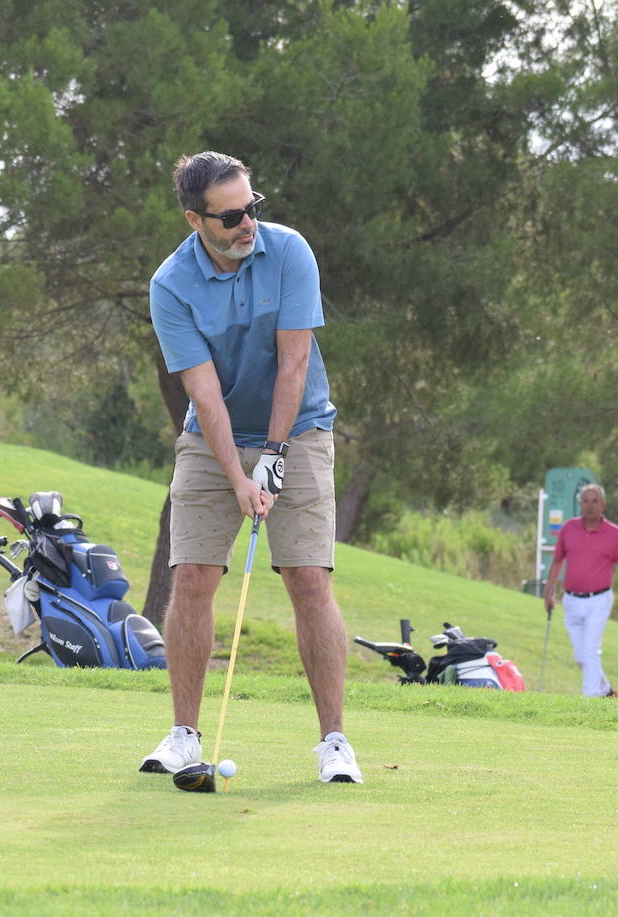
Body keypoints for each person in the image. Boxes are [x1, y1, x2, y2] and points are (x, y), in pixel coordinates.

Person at [140, 151, 360, 783]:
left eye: (252, 207)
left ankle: (334, 743)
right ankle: (184, 734)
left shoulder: (290, 252)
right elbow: (203, 395)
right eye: (231, 215)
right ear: (195, 220)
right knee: (191, 579)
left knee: (308, 580)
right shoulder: (171, 285)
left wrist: (274, 455)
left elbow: (294, 364)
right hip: (213, 438)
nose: (247, 224)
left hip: (302, 429)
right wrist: (238, 477)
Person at [542, 484, 618, 697]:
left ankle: (590, 702)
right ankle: (605, 690)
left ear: (603, 504)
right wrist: (548, 592)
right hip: (571, 600)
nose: (589, 506)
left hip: (599, 599)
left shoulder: (614, 534)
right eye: (585, 501)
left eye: (594, 501)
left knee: (590, 652)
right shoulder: (569, 528)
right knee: (581, 657)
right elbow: (558, 561)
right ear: (580, 505)